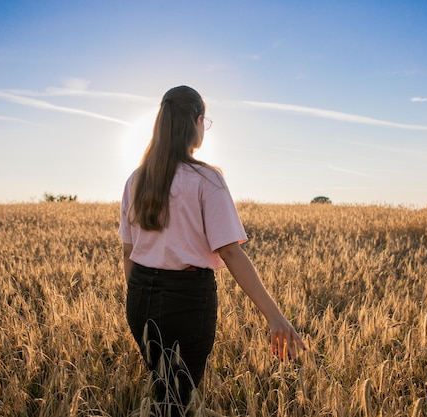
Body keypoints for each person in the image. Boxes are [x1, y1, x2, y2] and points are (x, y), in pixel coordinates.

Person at [118, 85, 305, 415]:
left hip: (139, 296)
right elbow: (231, 252)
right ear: (197, 121)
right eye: (205, 121)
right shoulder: (206, 179)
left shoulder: (136, 179)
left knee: (165, 393)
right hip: (188, 299)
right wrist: (275, 317)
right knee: (177, 400)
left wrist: (141, 296)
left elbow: (128, 251)